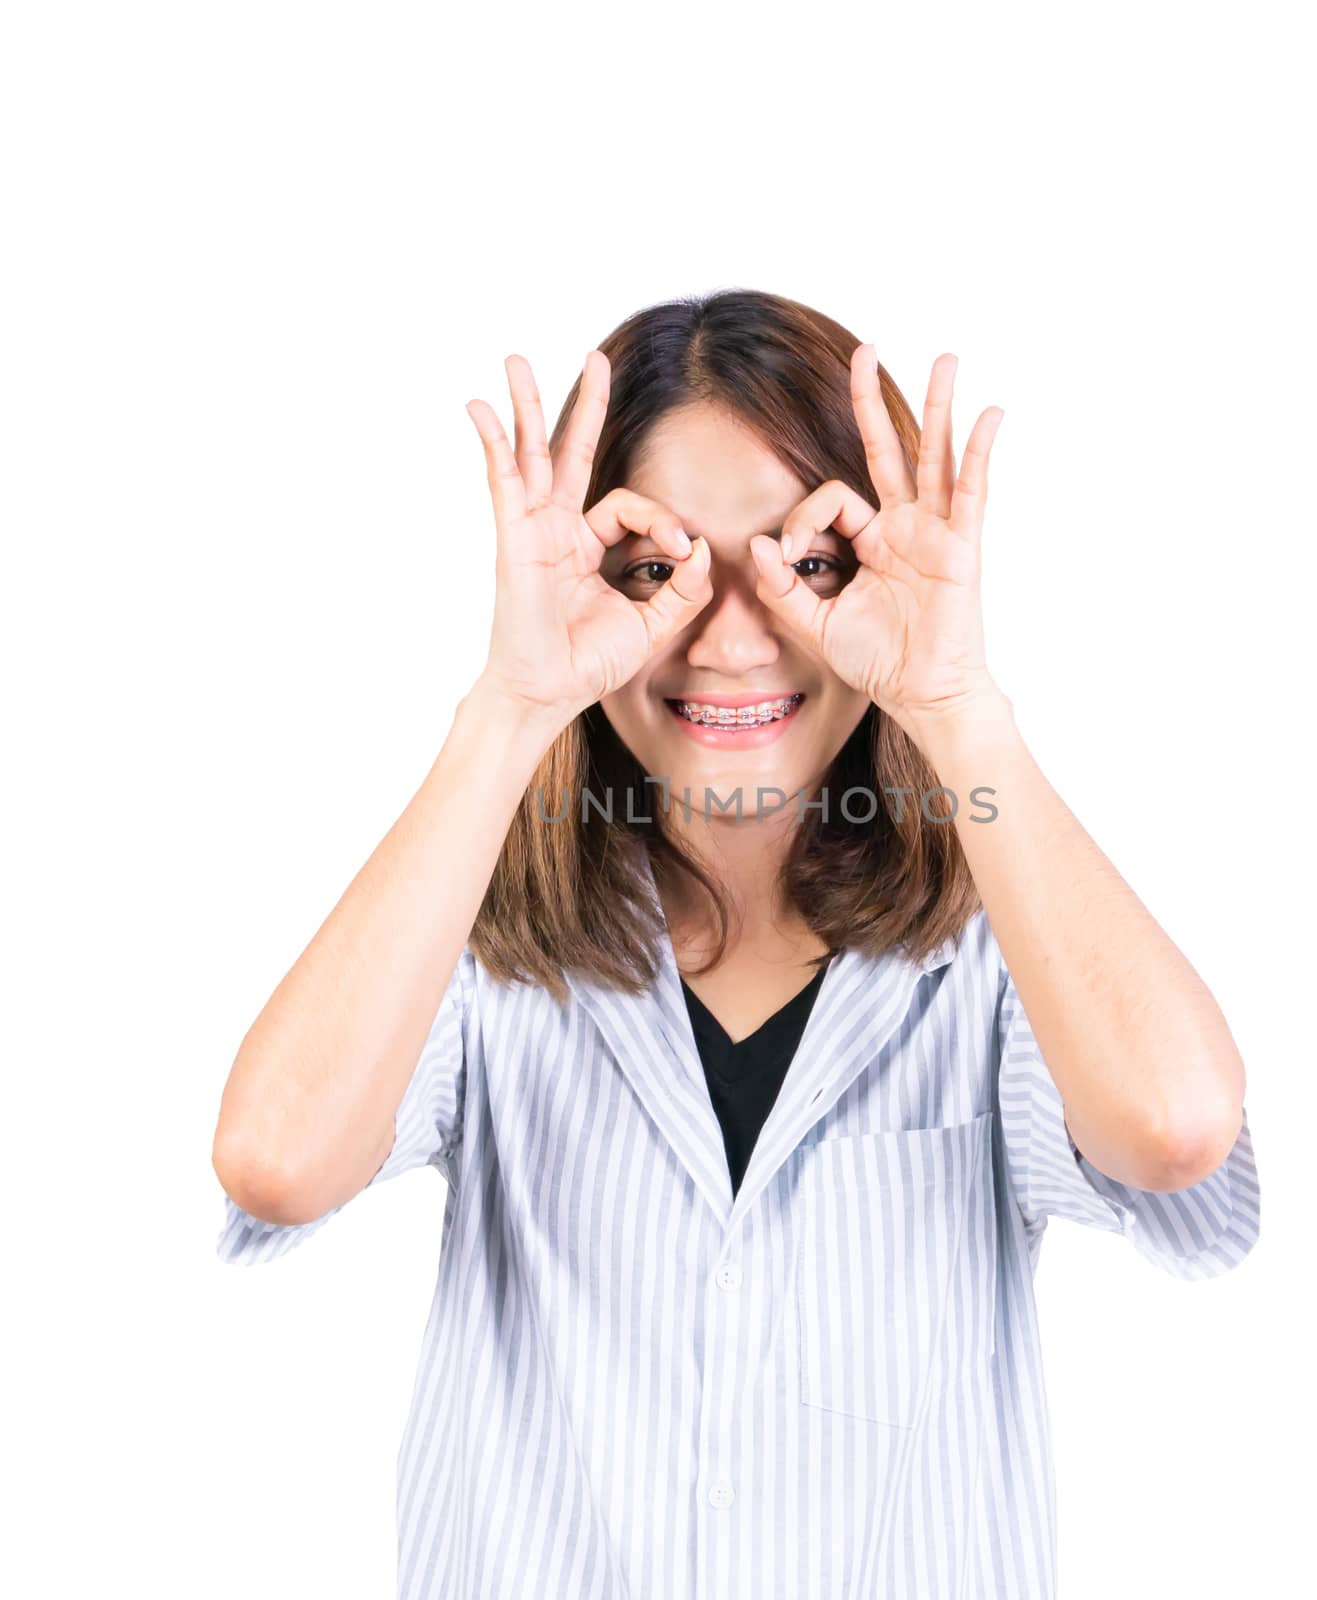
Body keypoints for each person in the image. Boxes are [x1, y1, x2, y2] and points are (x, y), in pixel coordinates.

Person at [211, 288, 1260, 1600]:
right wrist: (512, 707)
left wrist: (955, 704)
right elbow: (276, 1159)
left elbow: (1174, 1127)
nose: (730, 637)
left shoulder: (997, 963)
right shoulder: (478, 950)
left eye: (806, 564)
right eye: (658, 570)